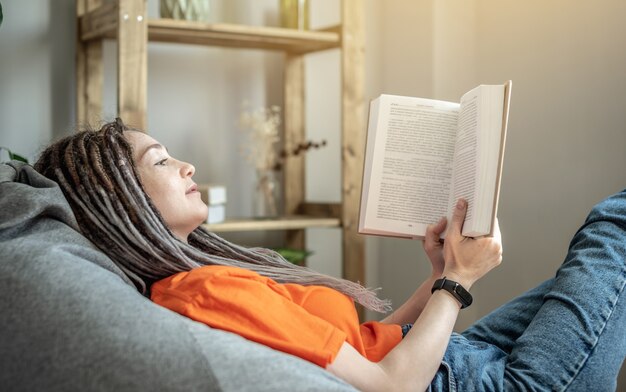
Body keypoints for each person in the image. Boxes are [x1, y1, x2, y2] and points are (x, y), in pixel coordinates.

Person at [34, 119, 625, 391]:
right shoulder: (204, 293)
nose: (186, 165)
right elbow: (389, 388)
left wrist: (441, 274)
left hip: (453, 355)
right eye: (160, 161)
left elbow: (365, 348)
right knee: (613, 225)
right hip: (471, 381)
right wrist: (460, 284)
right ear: (120, 201)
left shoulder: (204, 278)